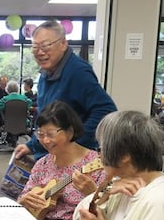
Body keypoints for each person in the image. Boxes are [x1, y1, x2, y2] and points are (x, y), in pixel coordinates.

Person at [18, 102, 105, 220]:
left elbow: (109, 211)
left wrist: (91, 193)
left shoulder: (96, 164)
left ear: (70, 132)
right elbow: (23, 202)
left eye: (50, 134)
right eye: (40, 134)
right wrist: (23, 200)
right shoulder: (42, 163)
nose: (45, 141)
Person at [14, 20, 117, 162]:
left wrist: (72, 143)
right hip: (50, 160)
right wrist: (32, 145)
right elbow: (46, 121)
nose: (40, 52)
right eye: (35, 47)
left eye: (45, 46)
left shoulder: (77, 72)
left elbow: (106, 110)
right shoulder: (46, 74)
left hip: (71, 162)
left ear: (63, 44)